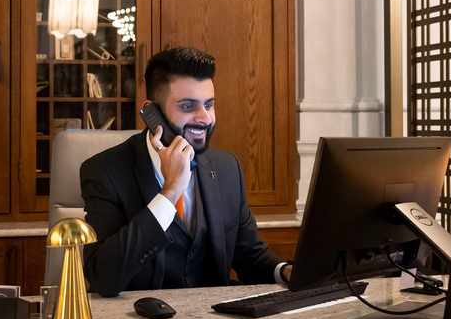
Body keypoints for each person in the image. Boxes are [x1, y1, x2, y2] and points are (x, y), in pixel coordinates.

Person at [81, 47, 292, 297]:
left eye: (209, 105)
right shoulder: (104, 171)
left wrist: (285, 271)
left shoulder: (226, 169)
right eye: (188, 106)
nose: (205, 118)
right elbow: (104, 277)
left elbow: (249, 256)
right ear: (152, 113)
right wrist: (169, 193)